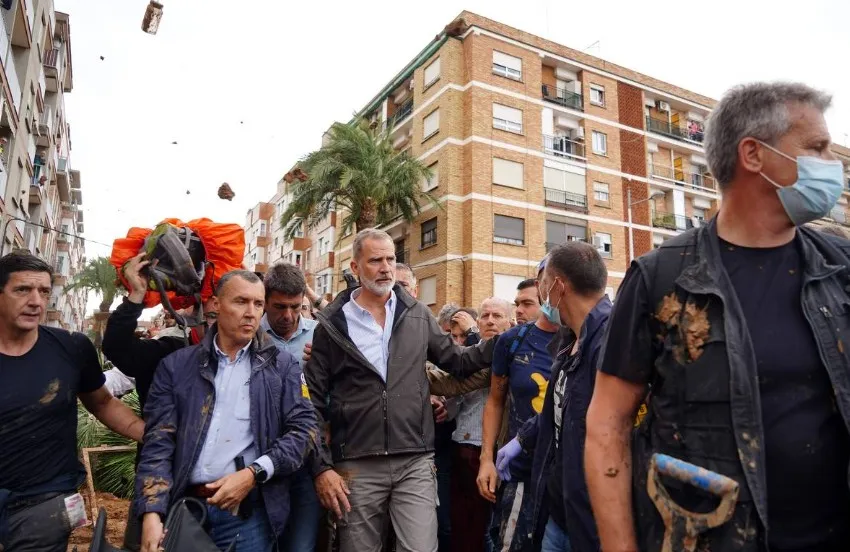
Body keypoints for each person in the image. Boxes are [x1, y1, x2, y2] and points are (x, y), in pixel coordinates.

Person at [586, 82, 850, 552]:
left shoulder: (841, 267)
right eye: (816, 148)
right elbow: (608, 425)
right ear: (753, 154)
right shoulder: (662, 277)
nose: (834, 163)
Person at [306, 228, 494, 552]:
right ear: (354, 268)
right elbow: (309, 403)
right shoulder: (333, 326)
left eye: (391, 259)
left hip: (415, 460)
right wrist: (321, 468)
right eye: (375, 260)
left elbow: (458, 362)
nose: (386, 268)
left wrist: (501, 345)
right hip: (356, 462)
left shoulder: (417, 315)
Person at [136, 270, 317, 552]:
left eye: (258, 304)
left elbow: (304, 431)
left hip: (247, 517)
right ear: (216, 304)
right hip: (185, 510)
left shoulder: (282, 368)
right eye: (241, 301)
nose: (250, 313)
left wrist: (253, 474)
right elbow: (158, 443)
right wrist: (151, 512)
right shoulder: (177, 367)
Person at [0, 253, 144, 552]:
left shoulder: (71, 347)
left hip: (44, 505)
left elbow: (102, 403)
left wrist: (151, 433)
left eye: (43, 292)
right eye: (23, 290)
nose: (36, 301)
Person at [495, 243, 609, 552]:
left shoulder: (611, 342)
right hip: (560, 511)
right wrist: (523, 438)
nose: (541, 293)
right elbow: (559, 406)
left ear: (558, 286)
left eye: (542, 283)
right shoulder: (570, 339)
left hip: (595, 520)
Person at [102, 252, 219, 551]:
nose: (220, 324)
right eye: (213, 315)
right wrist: (136, 296)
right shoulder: (166, 351)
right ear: (196, 312)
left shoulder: (246, 360)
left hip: (216, 488)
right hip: (160, 479)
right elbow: (117, 347)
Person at [478, 275, 558, 551]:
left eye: (527, 303)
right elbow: (495, 401)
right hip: (519, 470)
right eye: (517, 304)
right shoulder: (512, 342)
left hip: (565, 473)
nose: (519, 310)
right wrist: (486, 459)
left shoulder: (582, 339)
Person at [260, 262, 322, 552]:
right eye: (280, 307)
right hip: (260, 459)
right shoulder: (248, 334)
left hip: (307, 459)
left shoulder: (320, 336)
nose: (288, 316)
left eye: (296, 307)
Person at [448, 297, 512, 552]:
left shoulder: (514, 353)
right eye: (485, 316)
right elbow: (454, 403)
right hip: (465, 448)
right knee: (466, 528)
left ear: (510, 322)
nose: (490, 321)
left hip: (504, 452)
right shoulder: (464, 355)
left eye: (497, 316)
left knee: (498, 530)